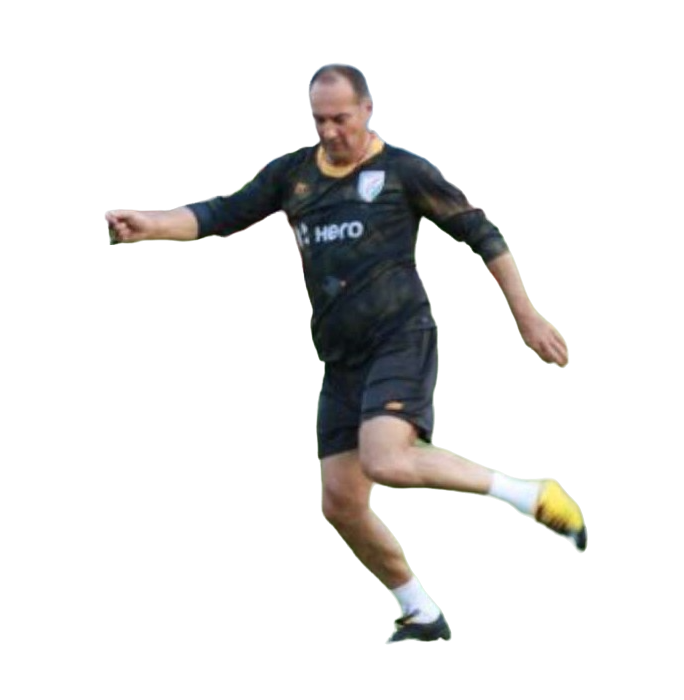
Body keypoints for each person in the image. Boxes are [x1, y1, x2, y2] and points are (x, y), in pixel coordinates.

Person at [104, 62, 586, 645]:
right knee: (340, 502)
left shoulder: (403, 170)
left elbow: (482, 234)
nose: (330, 131)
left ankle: (530, 494)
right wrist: (149, 224)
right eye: (319, 120)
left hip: (399, 337)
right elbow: (219, 214)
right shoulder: (293, 173)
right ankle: (420, 612)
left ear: (367, 109)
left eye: (340, 118)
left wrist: (526, 315)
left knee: (387, 459)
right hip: (340, 358)